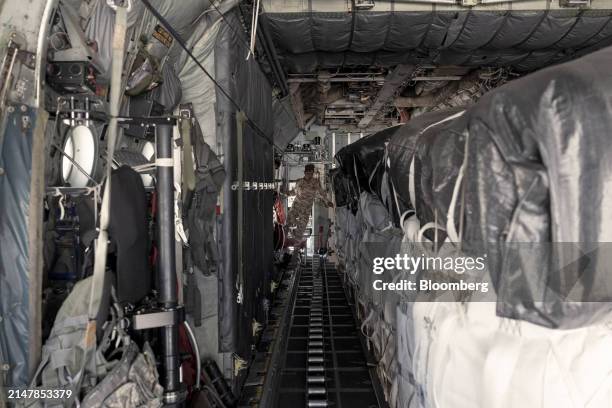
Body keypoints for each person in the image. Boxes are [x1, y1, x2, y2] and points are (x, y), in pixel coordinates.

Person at [285, 164, 333, 242]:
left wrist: (327, 201)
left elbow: (321, 193)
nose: (309, 175)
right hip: (296, 206)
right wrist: (287, 193)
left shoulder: (316, 183)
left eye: (311, 173)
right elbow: (294, 192)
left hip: (305, 210)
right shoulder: (299, 182)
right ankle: (284, 238)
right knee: (289, 221)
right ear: (305, 172)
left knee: (301, 228)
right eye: (308, 173)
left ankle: (296, 245)